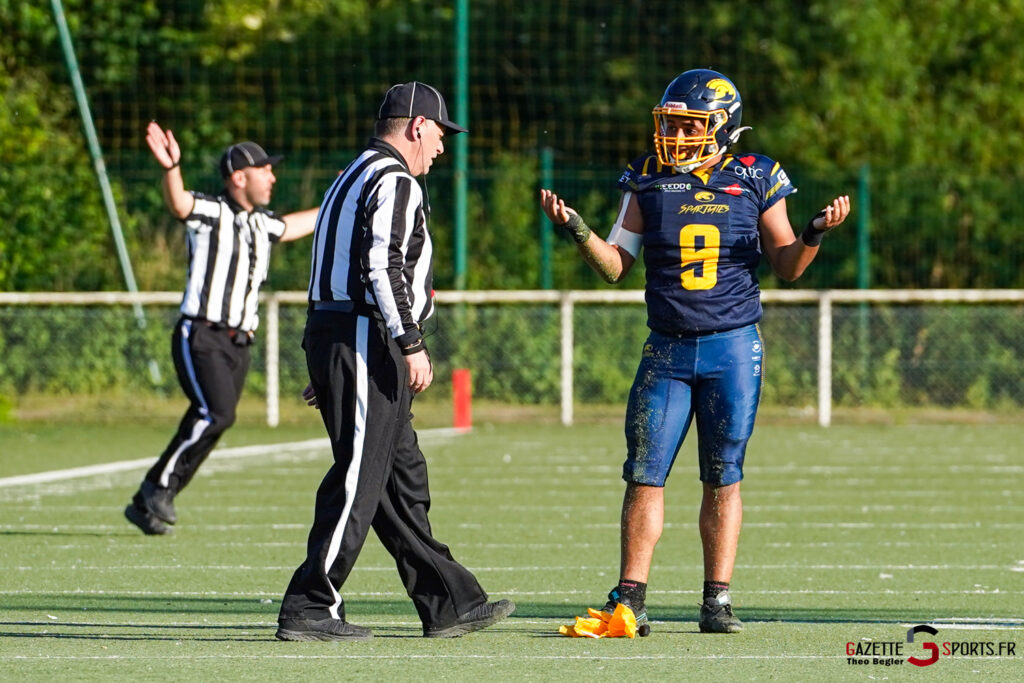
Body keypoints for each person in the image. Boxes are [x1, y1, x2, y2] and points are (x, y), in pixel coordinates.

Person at [540, 69, 850, 635]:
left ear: (723, 127)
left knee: (723, 475)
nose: (677, 136)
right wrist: (578, 229)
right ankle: (629, 598)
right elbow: (615, 266)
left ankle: (717, 601)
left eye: (690, 124)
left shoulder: (756, 176)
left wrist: (811, 234)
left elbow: (785, 267)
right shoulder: (648, 175)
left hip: (732, 347)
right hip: (667, 350)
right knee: (644, 474)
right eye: (673, 124)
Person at [276, 82, 515, 641]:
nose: (441, 146)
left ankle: (450, 601)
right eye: (438, 133)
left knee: (400, 478)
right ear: (415, 125)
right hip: (365, 336)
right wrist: (408, 342)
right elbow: (381, 265)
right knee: (361, 476)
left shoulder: (350, 173)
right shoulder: (393, 179)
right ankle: (310, 604)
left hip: (345, 336)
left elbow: (333, 267)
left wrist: (332, 360)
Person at [124, 122, 317, 535]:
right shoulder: (212, 212)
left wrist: (340, 199)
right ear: (239, 177)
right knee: (217, 413)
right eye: (265, 169)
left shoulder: (262, 224)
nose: (272, 177)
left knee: (214, 417)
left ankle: (150, 501)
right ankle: (156, 487)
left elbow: (297, 225)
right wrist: (172, 167)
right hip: (202, 334)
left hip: (238, 343)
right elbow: (179, 205)